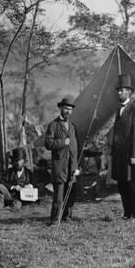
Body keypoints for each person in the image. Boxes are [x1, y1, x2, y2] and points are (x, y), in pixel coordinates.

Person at [111, 73, 135, 221]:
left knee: (130, 185)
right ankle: (126, 212)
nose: (119, 92)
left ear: (128, 92)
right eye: (118, 90)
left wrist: (134, 155)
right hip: (119, 155)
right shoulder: (118, 110)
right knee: (121, 184)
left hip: (130, 155)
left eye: (121, 90)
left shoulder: (134, 109)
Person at [44, 96, 79, 225]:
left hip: (71, 166)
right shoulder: (53, 125)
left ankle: (67, 217)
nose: (67, 111)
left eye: (70, 109)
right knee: (58, 196)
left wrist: (75, 166)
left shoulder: (73, 126)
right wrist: (63, 142)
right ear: (60, 108)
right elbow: (48, 143)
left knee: (71, 194)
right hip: (59, 166)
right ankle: (54, 220)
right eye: (65, 108)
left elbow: (75, 148)